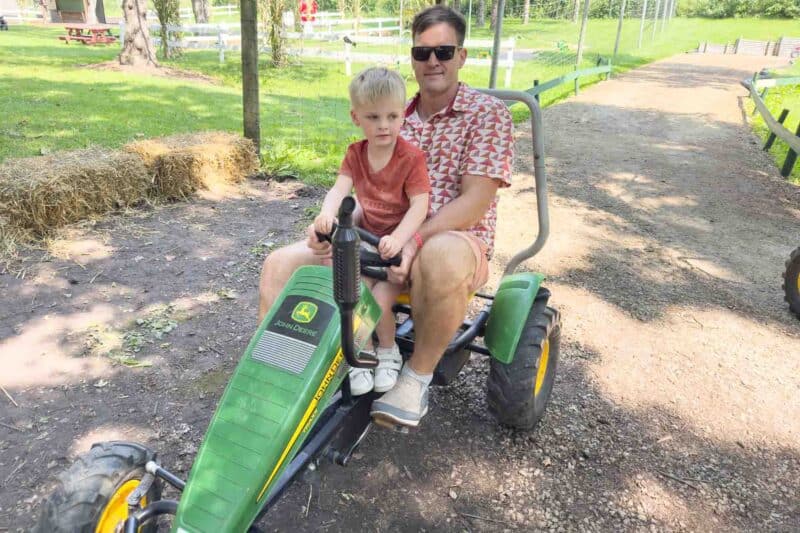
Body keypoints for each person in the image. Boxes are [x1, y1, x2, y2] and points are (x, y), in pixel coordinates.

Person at [258, 5, 514, 429]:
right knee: (279, 263)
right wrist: (339, 224)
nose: (433, 61)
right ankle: (279, 378)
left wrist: (413, 241)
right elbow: (366, 193)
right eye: (422, 52)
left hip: (452, 241)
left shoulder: (487, 115)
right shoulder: (393, 115)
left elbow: (475, 203)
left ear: (462, 56)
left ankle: (415, 377)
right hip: (382, 238)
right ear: (413, 57)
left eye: (444, 51)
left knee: (441, 255)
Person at [314, 66, 430, 395]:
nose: (383, 126)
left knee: (378, 302)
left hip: (398, 247)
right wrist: (326, 213)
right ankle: (360, 354)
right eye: (374, 117)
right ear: (356, 118)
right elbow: (339, 191)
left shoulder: (411, 158)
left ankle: (389, 349)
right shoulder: (356, 154)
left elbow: (420, 207)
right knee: (353, 295)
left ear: (403, 116)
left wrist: (400, 239)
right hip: (368, 243)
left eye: (393, 116)